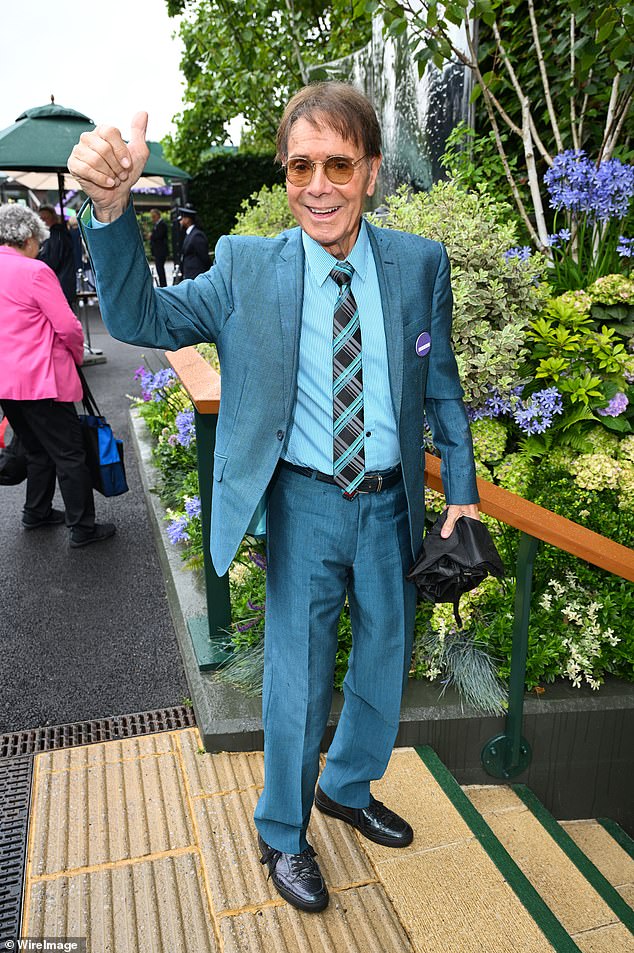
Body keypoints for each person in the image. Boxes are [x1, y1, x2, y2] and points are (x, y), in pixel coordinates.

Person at [69, 82, 479, 912]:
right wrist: (111, 215)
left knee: (383, 657)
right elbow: (141, 314)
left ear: (369, 172)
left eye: (338, 164)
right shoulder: (247, 267)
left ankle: (349, 786)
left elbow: (441, 387)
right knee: (296, 675)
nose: (318, 185)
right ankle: (283, 830)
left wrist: (460, 492)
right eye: (301, 166)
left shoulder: (418, 262)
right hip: (306, 502)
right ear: (286, 174)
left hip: (392, 502)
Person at [0, 204, 115, 548]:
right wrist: (76, 353)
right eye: (39, 239)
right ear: (28, 237)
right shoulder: (35, 271)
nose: (41, 246)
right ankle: (82, 527)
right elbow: (67, 325)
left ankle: (36, 511)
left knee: (35, 449)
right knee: (69, 453)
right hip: (40, 380)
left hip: (6, 383)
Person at [37, 205, 76, 304]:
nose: (43, 221)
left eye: (45, 218)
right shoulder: (58, 233)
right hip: (64, 284)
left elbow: (52, 261)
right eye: (40, 219)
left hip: (60, 285)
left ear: (53, 218)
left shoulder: (56, 234)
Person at [177, 206, 210, 279]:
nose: (180, 221)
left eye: (182, 218)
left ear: (188, 219)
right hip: (190, 274)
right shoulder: (189, 233)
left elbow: (204, 257)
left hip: (196, 275)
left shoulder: (197, 235)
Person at [149, 208, 168, 286]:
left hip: (161, 251)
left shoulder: (162, 224)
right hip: (157, 251)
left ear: (157, 216)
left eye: (153, 216)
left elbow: (159, 236)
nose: (152, 218)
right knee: (159, 269)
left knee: (160, 269)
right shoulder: (156, 225)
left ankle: (163, 285)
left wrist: (151, 236)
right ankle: (162, 284)